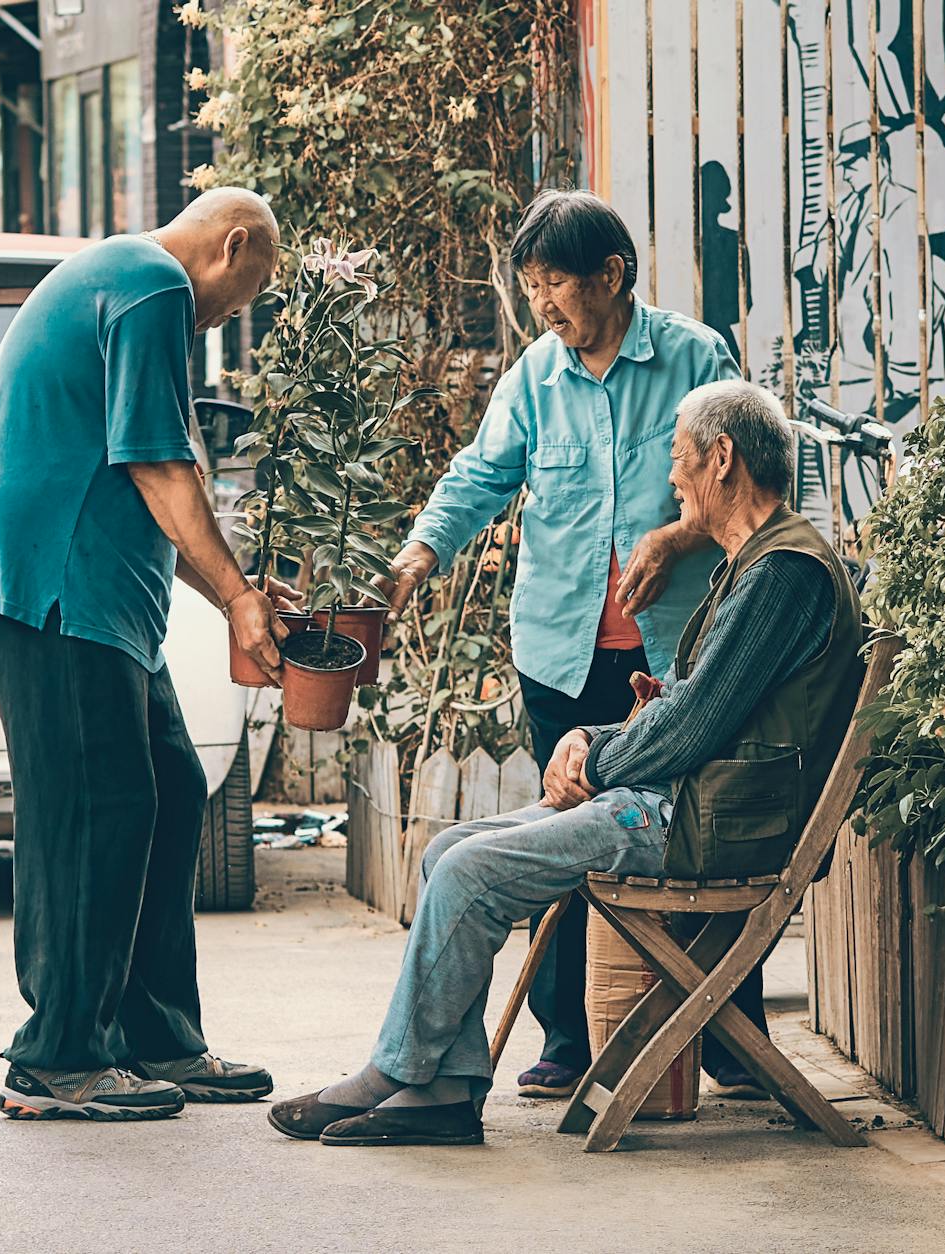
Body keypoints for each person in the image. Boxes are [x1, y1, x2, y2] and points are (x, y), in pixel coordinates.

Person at [272, 380, 864, 1147]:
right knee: (451, 849)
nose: (672, 479)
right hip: (688, 797)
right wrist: (598, 734)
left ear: (722, 459)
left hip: (701, 819)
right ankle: (444, 1089)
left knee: (467, 872)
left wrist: (597, 755)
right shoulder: (761, 562)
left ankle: (399, 1074)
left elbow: (694, 727)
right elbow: (701, 707)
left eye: (680, 459)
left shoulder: (782, 571)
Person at [379, 189, 762, 1099]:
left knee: (700, 831)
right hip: (561, 653)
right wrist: (423, 549)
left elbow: (744, 483)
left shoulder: (696, 359)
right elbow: (481, 475)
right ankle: (567, 1041)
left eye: (556, 282)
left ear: (612, 276)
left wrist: (677, 538)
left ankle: (732, 1040)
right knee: (561, 832)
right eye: (533, 285)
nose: (543, 303)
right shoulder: (534, 379)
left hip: (673, 662)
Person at [0, 188, 294, 1122]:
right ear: (232, 246)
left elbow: (152, 494)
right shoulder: (151, 288)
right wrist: (234, 597)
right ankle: (58, 1057)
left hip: (99, 601)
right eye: (242, 294)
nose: (227, 317)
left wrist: (243, 588)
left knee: (170, 789)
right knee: (92, 811)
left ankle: (153, 1039)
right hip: (58, 595)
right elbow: (159, 466)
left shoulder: (119, 277)